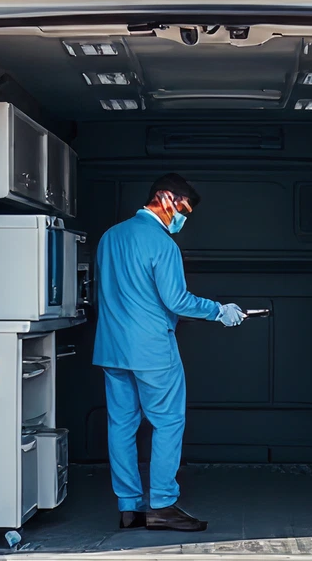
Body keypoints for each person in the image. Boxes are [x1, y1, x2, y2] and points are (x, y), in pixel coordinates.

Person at [92, 173, 245, 532]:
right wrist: (219, 311)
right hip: (152, 351)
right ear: (163, 197)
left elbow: (116, 292)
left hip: (112, 348)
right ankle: (161, 503)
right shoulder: (163, 245)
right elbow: (175, 299)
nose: (183, 217)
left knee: (121, 426)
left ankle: (129, 507)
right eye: (183, 208)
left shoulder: (109, 237)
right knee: (167, 423)